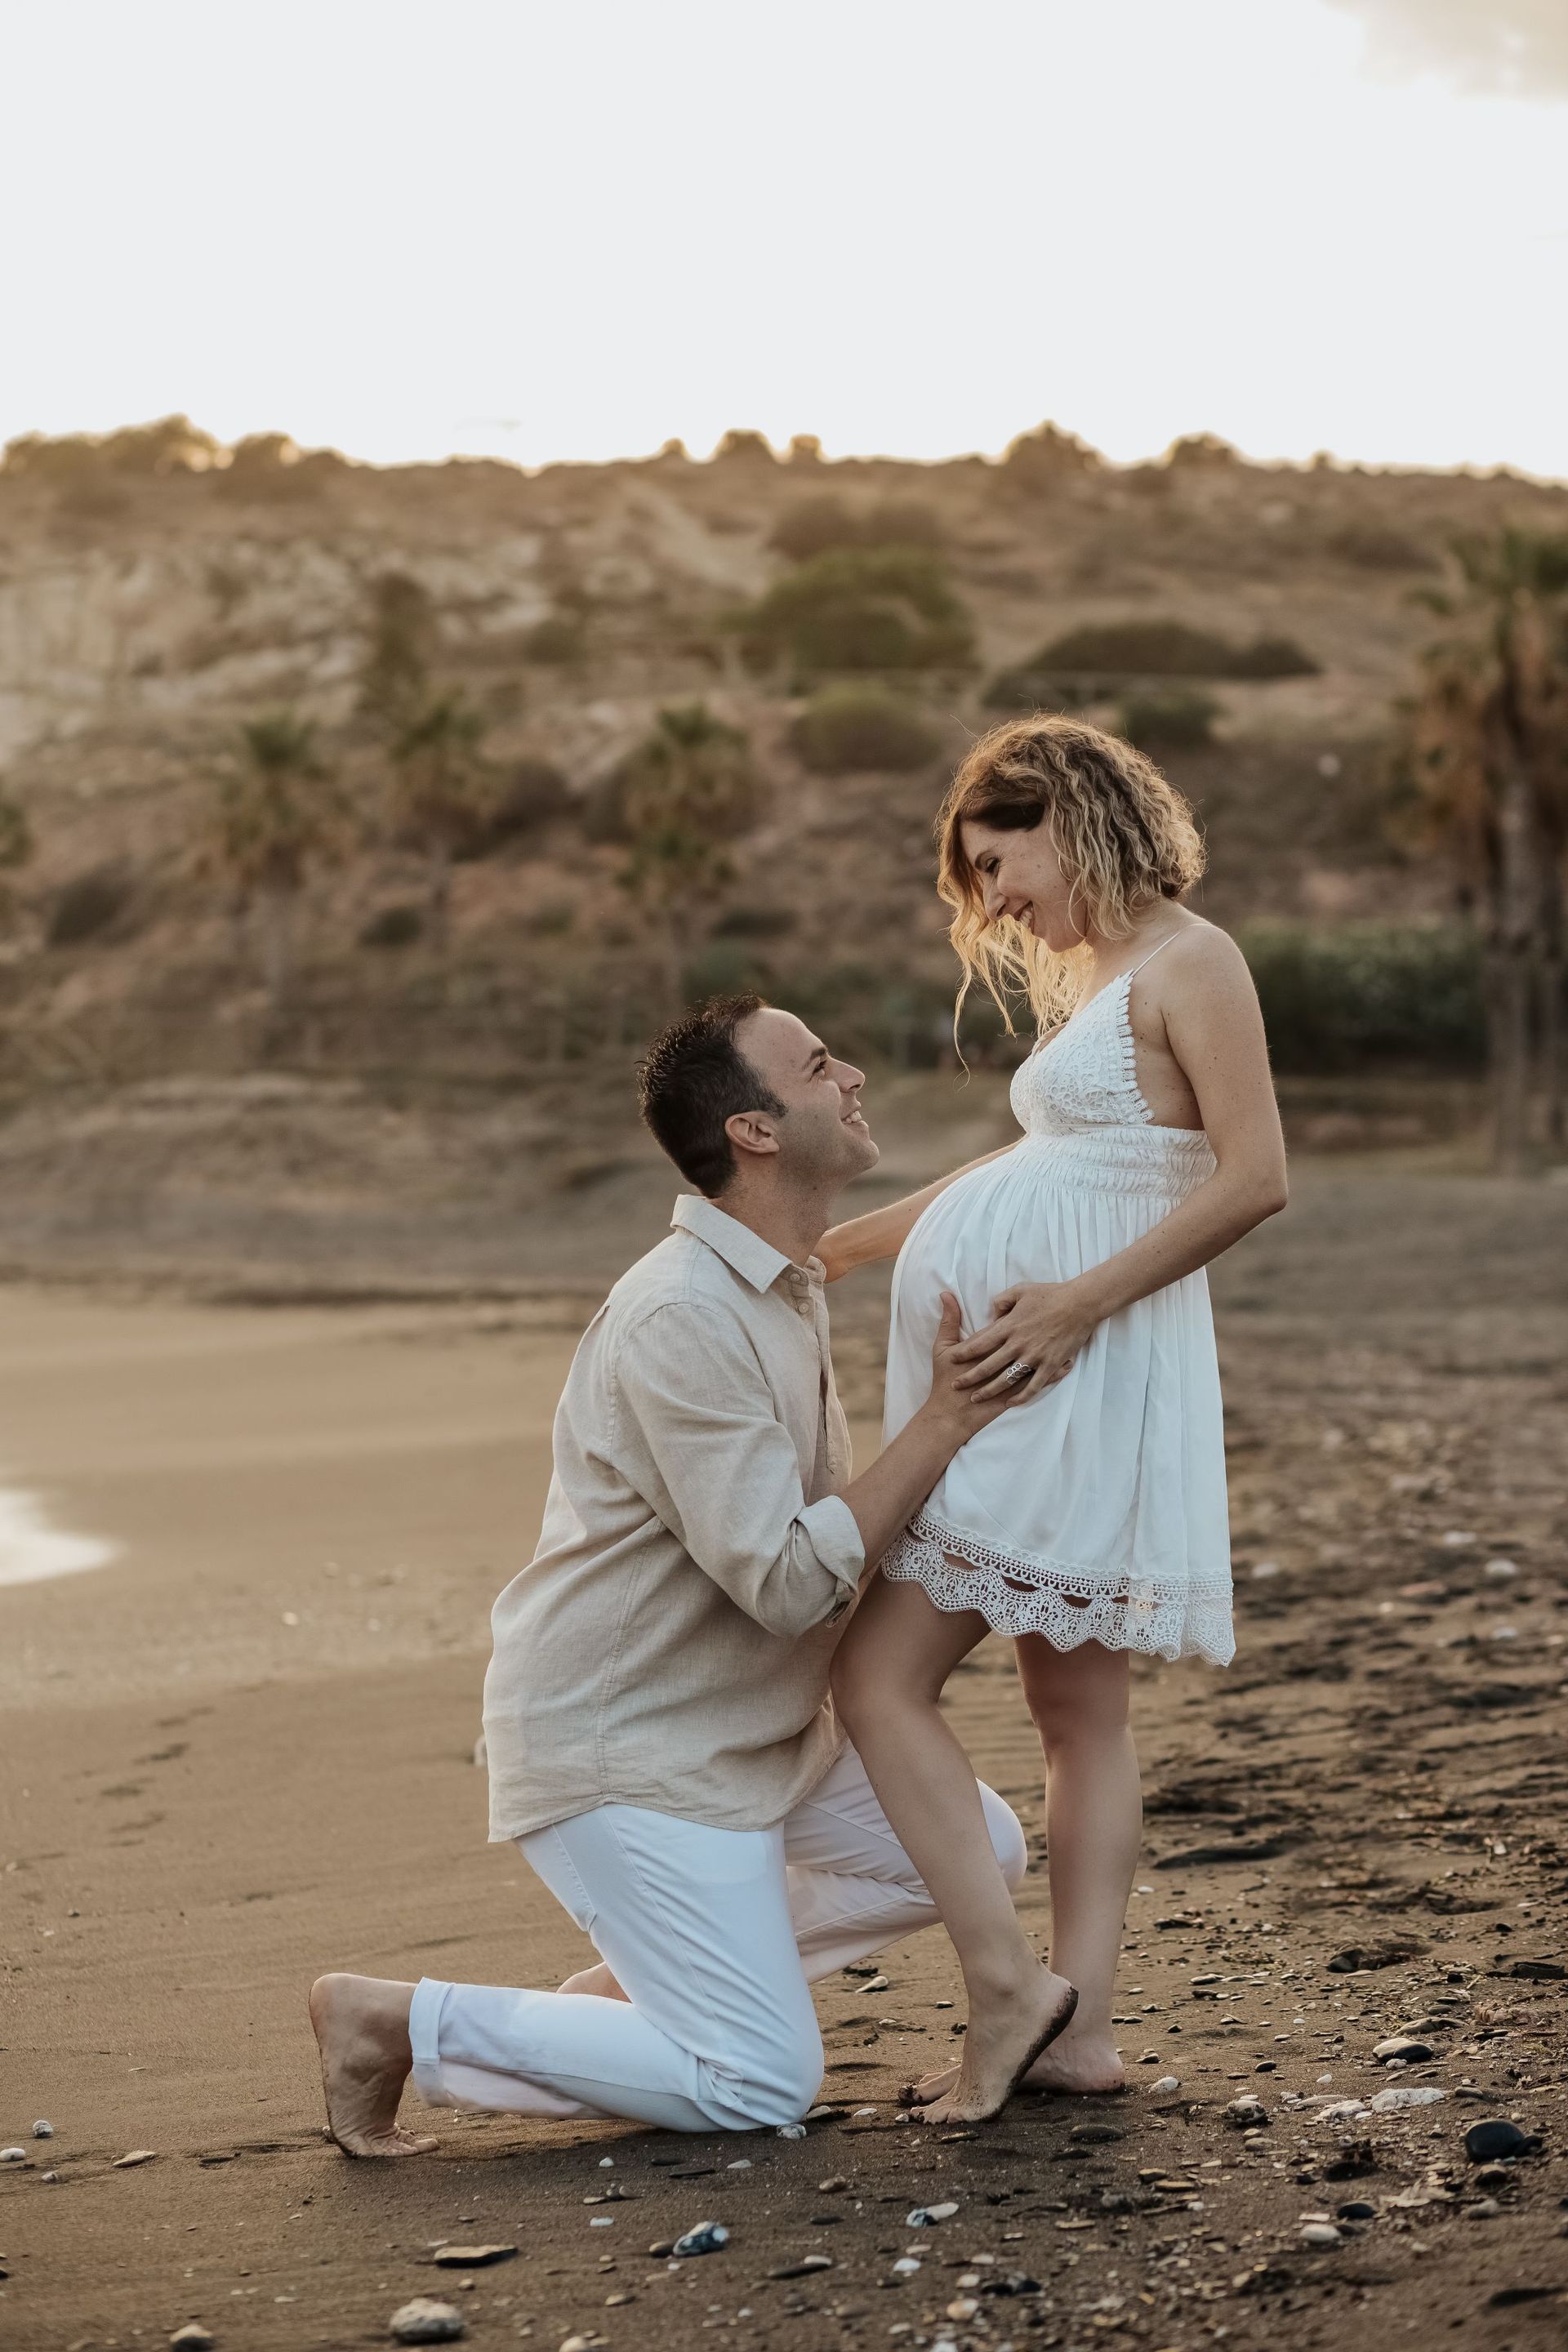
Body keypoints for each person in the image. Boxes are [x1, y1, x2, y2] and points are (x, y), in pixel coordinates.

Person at [309, 993, 1071, 2156]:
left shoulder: (783, 1282)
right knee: (758, 2081)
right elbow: (780, 1580)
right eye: (820, 1065)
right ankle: (394, 2021)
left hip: (749, 1737)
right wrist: (945, 1420)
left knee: (980, 1849)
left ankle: (644, 1999)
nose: (854, 1074)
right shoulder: (680, 1316)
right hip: (630, 1752)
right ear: (754, 1131)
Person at [823, 715, 1288, 2125]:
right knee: (1075, 1707)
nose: (995, 900)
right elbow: (1032, 1168)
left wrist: (1079, 1305)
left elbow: (1254, 1175)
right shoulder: (1096, 979)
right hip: (1034, 1378)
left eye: (998, 859)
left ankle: (1018, 1992)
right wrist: (838, 1247)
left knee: (879, 1681)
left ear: (1070, 815)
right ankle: (1074, 2029)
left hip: (1067, 1382)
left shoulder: (1194, 961)